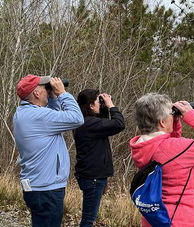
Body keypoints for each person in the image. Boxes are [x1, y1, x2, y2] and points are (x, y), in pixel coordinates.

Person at [130, 93, 194, 227]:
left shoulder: (140, 145)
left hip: (155, 219)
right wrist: (192, 116)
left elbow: (171, 153)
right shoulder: (175, 148)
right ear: (162, 122)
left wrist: (175, 122)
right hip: (181, 219)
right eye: (171, 114)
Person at [13, 74, 84, 227]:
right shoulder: (38, 116)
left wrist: (51, 98)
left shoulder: (23, 113)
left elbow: (53, 116)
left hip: (38, 186)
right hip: (47, 190)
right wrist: (62, 94)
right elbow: (77, 118)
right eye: (45, 88)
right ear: (36, 93)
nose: (48, 89)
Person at [74, 89, 125, 227]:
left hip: (91, 176)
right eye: (98, 101)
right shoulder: (89, 123)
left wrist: (103, 107)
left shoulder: (85, 122)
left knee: (89, 217)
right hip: (93, 178)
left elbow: (103, 123)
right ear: (91, 106)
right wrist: (111, 106)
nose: (100, 103)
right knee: (88, 219)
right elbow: (119, 124)